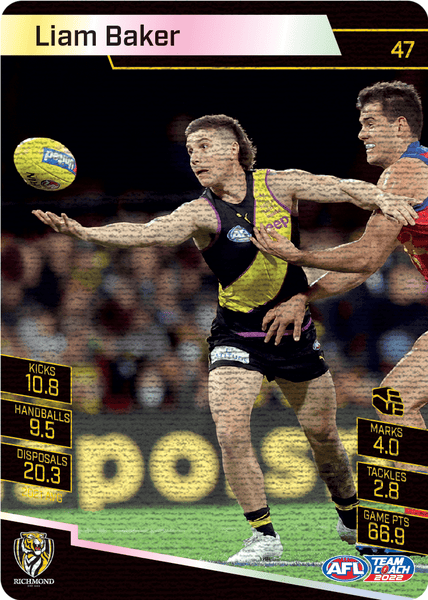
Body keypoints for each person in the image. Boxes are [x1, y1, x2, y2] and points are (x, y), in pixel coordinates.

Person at [33, 113, 419, 562]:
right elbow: (147, 233)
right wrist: (85, 232)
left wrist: (383, 197)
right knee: (231, 429)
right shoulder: (200, 212)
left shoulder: (279, 184)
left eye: (203, 147)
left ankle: (350, 516)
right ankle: (264, 536)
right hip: (236, 335)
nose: (194, 157)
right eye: (189, 151)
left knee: (323, 436)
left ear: (233, 149)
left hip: (293, 333)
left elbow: (342, 187)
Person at [252, 81, 428, 479]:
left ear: (401, 126)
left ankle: (417, 512)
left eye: (370, 123)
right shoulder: (416, 167)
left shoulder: (404, 172)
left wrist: (299, 256)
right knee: (394, 400)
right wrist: (304, 296)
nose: (361, 133)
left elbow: (365, 255)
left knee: (396, 400)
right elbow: (364, 268)